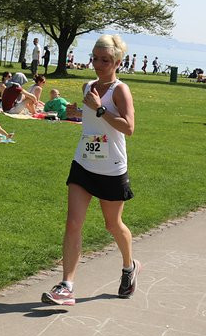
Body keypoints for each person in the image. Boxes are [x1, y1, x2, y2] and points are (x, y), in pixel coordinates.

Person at [41, 34, 138, 306]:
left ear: (117, 61)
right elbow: (91, 121)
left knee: (112, 224)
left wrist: (97, 110)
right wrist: (75, 113)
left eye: (104, 60)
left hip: (111, 168)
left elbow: (128, 127)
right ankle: (66, 285)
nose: (98, 64)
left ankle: (129, 266)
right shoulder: (88, 86)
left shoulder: (120, 90)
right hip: (84, 162)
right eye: (95, 58)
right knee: (73, 223)